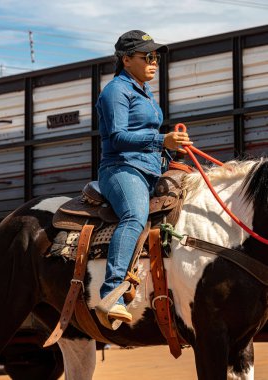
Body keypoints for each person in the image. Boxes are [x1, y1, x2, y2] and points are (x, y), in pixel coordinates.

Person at [95, 30, 193, 325]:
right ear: (126, 60)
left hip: (151, 168)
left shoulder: (145, 91)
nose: (154, 62)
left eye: (156, 57)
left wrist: (173, 154)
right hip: (121, 169)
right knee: (135, 215)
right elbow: (118, 136)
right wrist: (162, 140)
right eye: (147, 56)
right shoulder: (115, 91)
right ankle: (111, 292)